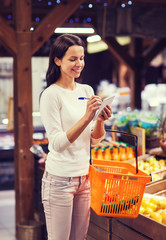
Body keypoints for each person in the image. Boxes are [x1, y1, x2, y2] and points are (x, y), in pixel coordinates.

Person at [40, 33, 112, 240]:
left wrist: (99, 120)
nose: (78, 63)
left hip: (84, 179)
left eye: (81, 58)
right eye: (72, 59)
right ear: (57, 60)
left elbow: (94, 140)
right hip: (60, 181)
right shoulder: (51, 95)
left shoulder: (86, 90)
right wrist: (87, 116)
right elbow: (57, 144)